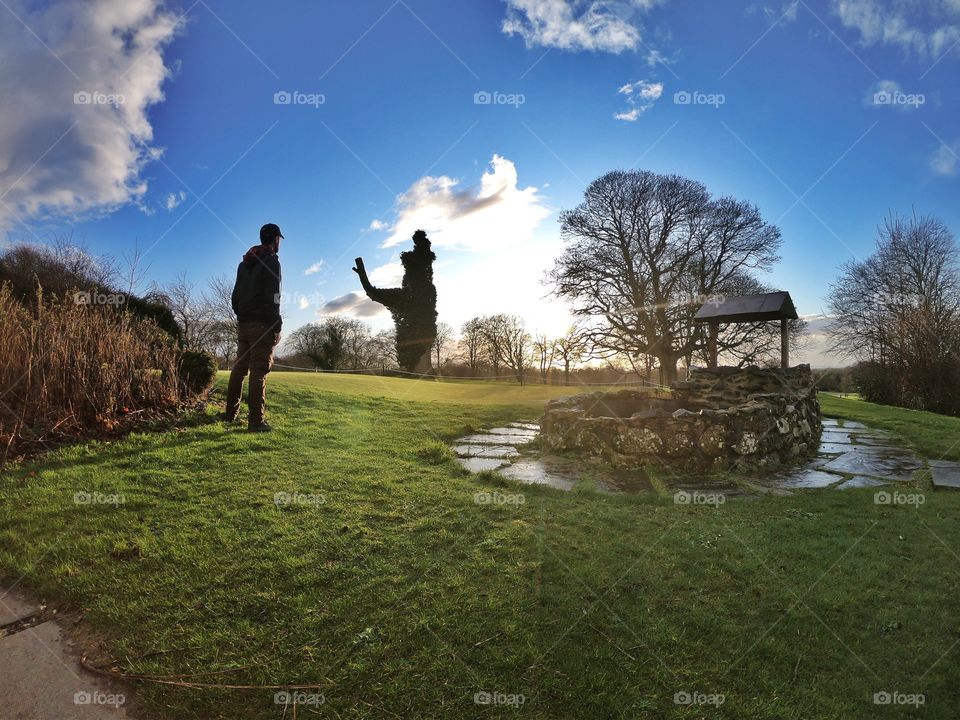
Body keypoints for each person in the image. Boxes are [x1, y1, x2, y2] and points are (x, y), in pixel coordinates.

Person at [224, 223, 283, 432]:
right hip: (263, 325)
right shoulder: (272, 262)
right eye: (279, 239)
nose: (280, 243)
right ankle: (256, 422)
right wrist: (277, 324)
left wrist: (241, 314)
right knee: (259, 371)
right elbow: (274, 296)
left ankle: (230, 414)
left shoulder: (245, 263)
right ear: (276, 239)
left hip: (244, 324)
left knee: (239, 370)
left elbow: (235, 296)